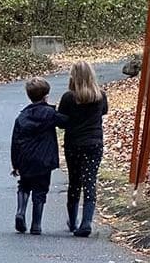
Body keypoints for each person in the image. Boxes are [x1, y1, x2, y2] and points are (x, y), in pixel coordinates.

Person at [58, 61, 108, 237]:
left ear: (74, 77)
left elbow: (62, 122)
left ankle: (73, 221)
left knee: (74, 182)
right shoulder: (100, 96)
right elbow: (103, 112)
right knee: (90, 181)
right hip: (94, 143)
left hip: (74, 144)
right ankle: (86, 221)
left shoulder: (68, 98)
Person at [11, 77, 67, 235]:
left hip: (25, 158)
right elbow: (65, 122)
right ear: (46, 96)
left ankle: (20, 211)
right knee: (40, 190)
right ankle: (36, 224)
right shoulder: (50, 114)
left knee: (24, 185)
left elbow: (15, 141)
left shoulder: (22, 117)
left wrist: (15, 163)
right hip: (44, 159)